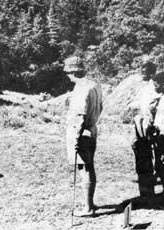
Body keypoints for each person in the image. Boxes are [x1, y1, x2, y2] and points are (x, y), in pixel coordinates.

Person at [131, 71, 164, 206]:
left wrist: (162, 135)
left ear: (163, 84)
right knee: (161, 165)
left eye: (156, 84)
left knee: (162, 165)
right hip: (160, 135)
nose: (154, 87)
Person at [64, 56, 103, 217]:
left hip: (82, 132)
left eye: (68, 72)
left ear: (73, 71)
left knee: (84, 168)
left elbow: (80, 115)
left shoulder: (81, 89)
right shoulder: (95, 85)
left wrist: (76, 137)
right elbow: (100, 106)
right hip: (91, 129)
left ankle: (88, 208)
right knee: (89, 166)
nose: (67, 76)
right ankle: (90, 203)